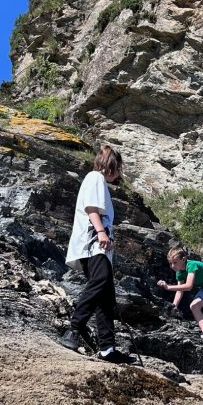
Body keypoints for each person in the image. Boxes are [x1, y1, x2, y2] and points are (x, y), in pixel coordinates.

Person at [59, 145, 135, 364]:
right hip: (93, 243)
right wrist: (101, 232)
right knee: (99, 282)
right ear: (112, 166)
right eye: (119, 168)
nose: (119, 173)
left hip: (99, 246)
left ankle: (107, 349)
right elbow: (91, 209)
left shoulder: (99, 182)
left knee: (106, 299)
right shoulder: (95, 178)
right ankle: (74, 330)